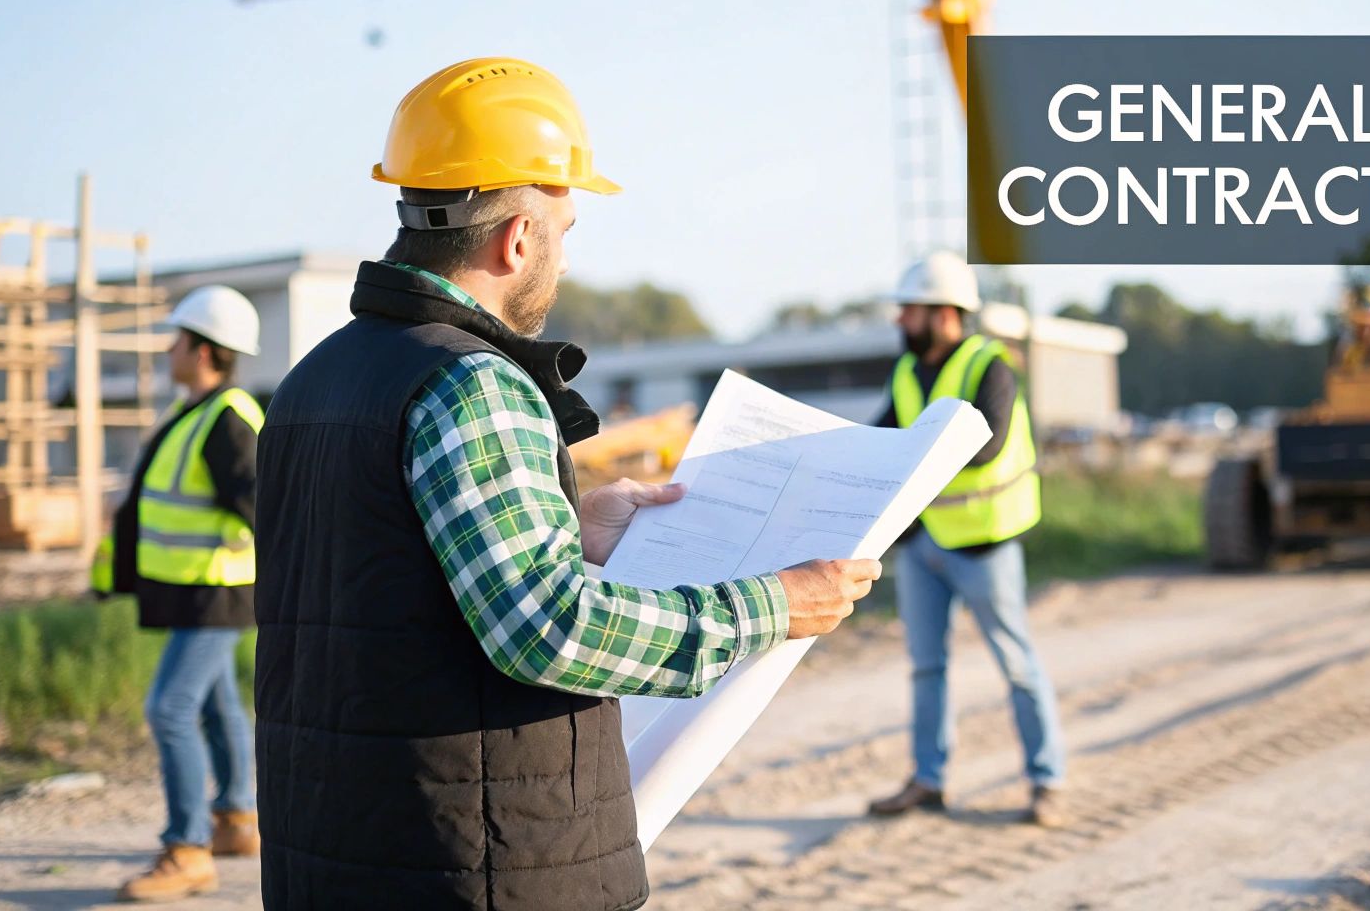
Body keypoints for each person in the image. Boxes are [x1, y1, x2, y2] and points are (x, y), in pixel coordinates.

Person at [252, 57, 880, 910]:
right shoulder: (473, 382)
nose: (565, 255)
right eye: (566, 227)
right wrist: (773, 605)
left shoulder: (314, 380)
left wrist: (567, 525)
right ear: (517, 238)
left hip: (335, 849)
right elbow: (547, 629)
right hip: (476, 866)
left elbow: (375, 572)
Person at [865, 252, 1068, 828]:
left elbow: (987, 446)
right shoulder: (905, 374)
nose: (902, 319)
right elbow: (884, 440)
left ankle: (1047, 782)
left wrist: (912, 454)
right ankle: (928, 780)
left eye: (912, 309)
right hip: (923, 546)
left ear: (948, 314)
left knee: (1017, 665)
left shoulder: (990, 366)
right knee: (926, 668)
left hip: (986, 545)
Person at [89, 285, 264, 902]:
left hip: (215, 594)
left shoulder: (227, 420)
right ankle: (238, 821)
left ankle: (188, 849)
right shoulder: (197, 410)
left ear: (205, 349)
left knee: (169, 708)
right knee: (215, 708)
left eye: (179, 339)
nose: (169, 349)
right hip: (195, 592)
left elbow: (263, 510)